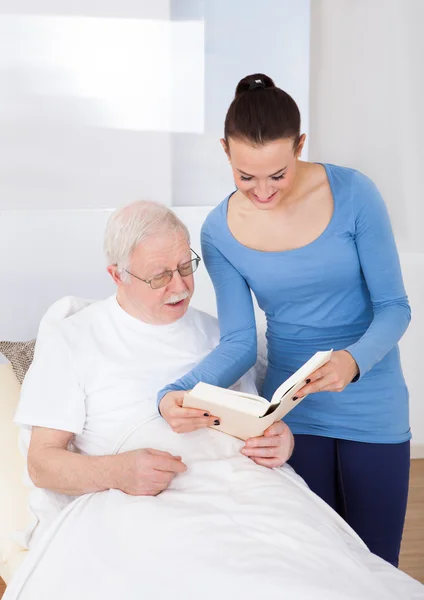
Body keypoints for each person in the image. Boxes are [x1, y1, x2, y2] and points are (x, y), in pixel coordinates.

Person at [157, 74, 411, 568]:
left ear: (299, 146)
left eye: (277, 174)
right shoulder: (218, 231)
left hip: (373, 399)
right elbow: (238, 343)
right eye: (245, 176)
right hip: (290, 411)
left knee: (377, 564)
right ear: (225, 152)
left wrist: (353, 362)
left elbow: (394, 307)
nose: (263, 191)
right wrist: (175, 392)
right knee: (312, 563)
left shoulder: (355, 194)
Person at [14, 200, 293, 546]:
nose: (179, 287)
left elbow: (252, 421)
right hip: (140, 512)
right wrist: (118, 472)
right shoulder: (73, 340)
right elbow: (41, 463)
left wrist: (277, 441)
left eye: (185, 267)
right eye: (160, 275)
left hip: (244, 501)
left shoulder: (221, 337)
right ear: (118, 275)